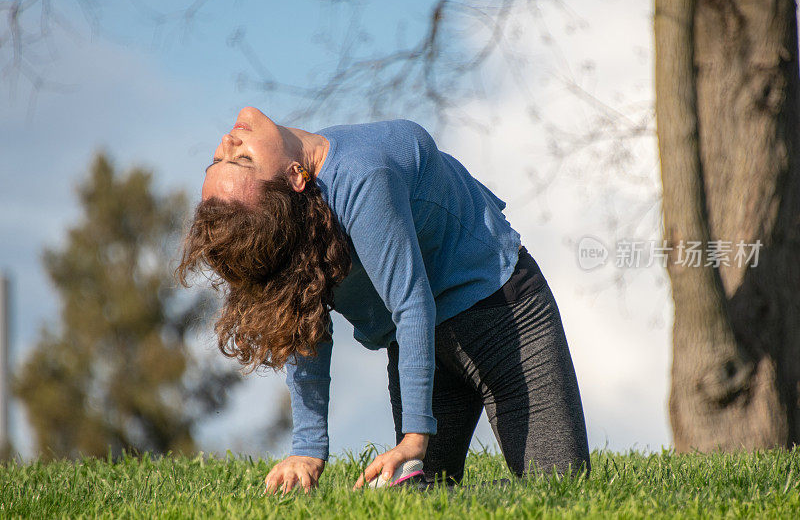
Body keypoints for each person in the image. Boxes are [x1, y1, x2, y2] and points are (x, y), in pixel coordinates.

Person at [177, 106, 591, 495]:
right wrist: (307, 450)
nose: (229, 146)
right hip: (419, 339)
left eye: (222, 160)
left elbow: (411, 304)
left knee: (559, 487)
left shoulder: (360, 174)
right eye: (241, 161)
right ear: (294, 176)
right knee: (415, 498)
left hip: (499, 312)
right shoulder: (311, 207)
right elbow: (301, 318)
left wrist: (414, 439)